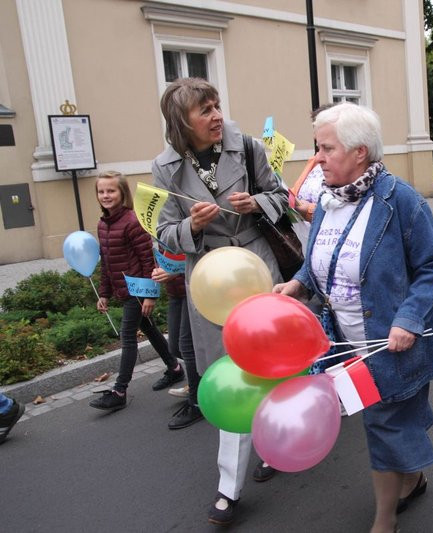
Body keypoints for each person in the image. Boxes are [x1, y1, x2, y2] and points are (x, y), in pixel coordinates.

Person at [274, 102, 433, 533]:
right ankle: (413, 478)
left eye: (326, 149)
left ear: (359, 153)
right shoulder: (329, 199)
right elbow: (322, 259)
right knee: (386, 421)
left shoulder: (399, 201)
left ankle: (383, 521)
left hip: (388, 342)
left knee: (383, 424)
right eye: (317, 149)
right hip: (341, 343)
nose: (317, 159)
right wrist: (298, 284)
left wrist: (409, 319)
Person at [152, 78, 290, 525]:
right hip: (211, 280)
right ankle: (229, 487)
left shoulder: (247, 147)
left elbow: (281, 197)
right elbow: (164, 232)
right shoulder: (164, 167)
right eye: (205, 110)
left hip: (256, 264)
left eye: (217, 105)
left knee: (272, 361)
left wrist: (256, 204)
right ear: (181, 122)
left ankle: (276, 443)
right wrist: (191, 227)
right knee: (232, 373)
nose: (216, 116)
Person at [90, 171, 184, 412]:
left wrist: (150, 294)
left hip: (138, 290)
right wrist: (104, 293)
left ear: (122, 193)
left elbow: (147, 259)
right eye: (101, 191)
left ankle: (120, 390)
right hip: (123, 289)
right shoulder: (103, 224)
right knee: (149, 329)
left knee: (127, 336)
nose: (106, 195)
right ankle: (174, 368)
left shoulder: (133, 221)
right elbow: (107, 263)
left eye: (111, 190)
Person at [151, 266, 203, 429]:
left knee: (187, 346)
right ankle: (201, 383)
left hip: (194, 288)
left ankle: (197, 403)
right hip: (175, 291)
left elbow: (199, 251)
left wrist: (176, 271)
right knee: (174, 347)